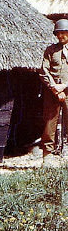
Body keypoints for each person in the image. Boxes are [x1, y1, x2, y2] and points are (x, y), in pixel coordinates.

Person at [39, 18, 68, 165]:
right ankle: (47, 154)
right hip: (52, 92)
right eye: (59, 33)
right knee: (49, 122)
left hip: (67, 90)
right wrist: (55, 88)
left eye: (64, 33)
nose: (61, 36)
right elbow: (44, 71)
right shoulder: (50, 50)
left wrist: (65, 86)